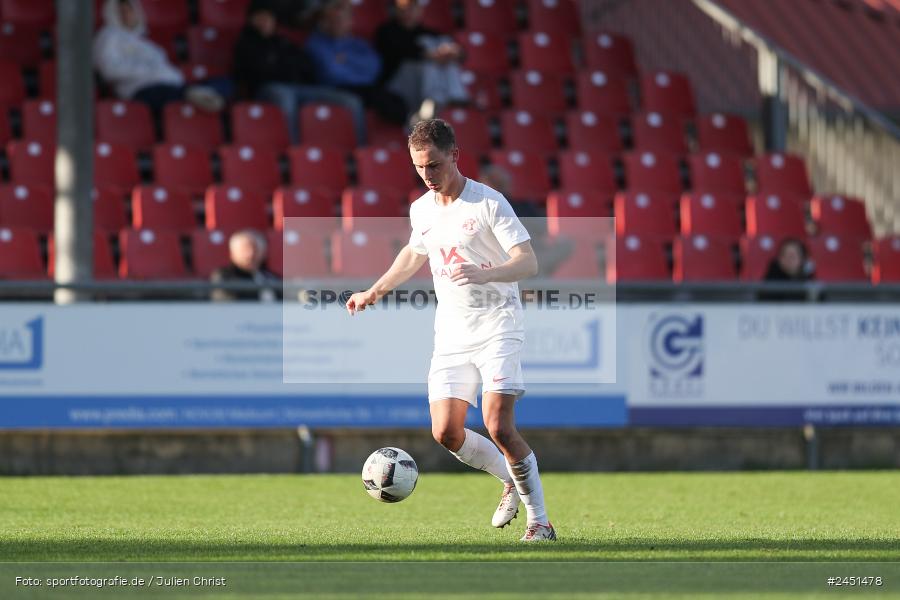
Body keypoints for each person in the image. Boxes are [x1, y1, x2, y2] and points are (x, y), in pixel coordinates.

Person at [346, 119, 556, 542]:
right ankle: (509, 482)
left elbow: (528, 262)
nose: (427, 175)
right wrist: (374, 290)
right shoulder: (422, 208)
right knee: (446, 432)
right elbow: (413, 252)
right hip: (453, 335)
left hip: (498, 325)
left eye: (435, 165)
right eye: (420, 167)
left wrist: (488, 273)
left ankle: (541, 522)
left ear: (455, 156)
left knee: (498, 425)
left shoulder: (488, 203)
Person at [234, 0, 367, 144]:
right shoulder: (246, 43)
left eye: (269, 18)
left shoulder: (282, 42)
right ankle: (293, 148)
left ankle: (359, 150)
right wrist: (281, 69)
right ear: (251, 20)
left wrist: (284, 68)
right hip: (267, 88)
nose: (265, 22)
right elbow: (254, 72)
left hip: (299, 87)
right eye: (260, 17)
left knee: (351, 101)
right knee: (285, 97)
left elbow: (305, 65)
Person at [93, 0, 231, 115]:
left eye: (130, 10)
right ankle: (194, 94)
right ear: (112, 13)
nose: (127, 15)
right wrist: (147, 71)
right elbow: (109, 70)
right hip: (141, 90)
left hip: (171, 84)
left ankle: (196, 93)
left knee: (226, 83)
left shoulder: (144, 41)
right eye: (121, 11)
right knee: (169, 95)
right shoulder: (109, 36)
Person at [305, 0, 408, 125]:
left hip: (365, 88)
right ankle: (362, 143)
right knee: (365, 100)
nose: (339, 23)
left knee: (396, 101)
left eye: (343, 19)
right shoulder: (316, 43)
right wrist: (358, 71)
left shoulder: (358, 43)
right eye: (335, 20)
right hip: (335, 89)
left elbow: (374, 68)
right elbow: (331, 74)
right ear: (325, 22)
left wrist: (346, 60)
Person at [374, 0, 468, 122]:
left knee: (446, 57)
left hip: (424, 85)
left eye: (411, 8)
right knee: (427, 63)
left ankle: (456, 98)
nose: (407, 12)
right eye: (403, 8)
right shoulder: (386, 31)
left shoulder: (428, 32)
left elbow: (461, 55)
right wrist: (431, 55)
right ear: (396, 10)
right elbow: (401, 50)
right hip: (397, 87)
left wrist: (453, 52)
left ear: (419, 10)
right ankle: (431, 101)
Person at [210, 230, 281, 302]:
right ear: (232, 253)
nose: (251, 254)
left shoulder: (272, 278)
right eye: (245, 249)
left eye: (255, 249)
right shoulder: (224, 276)